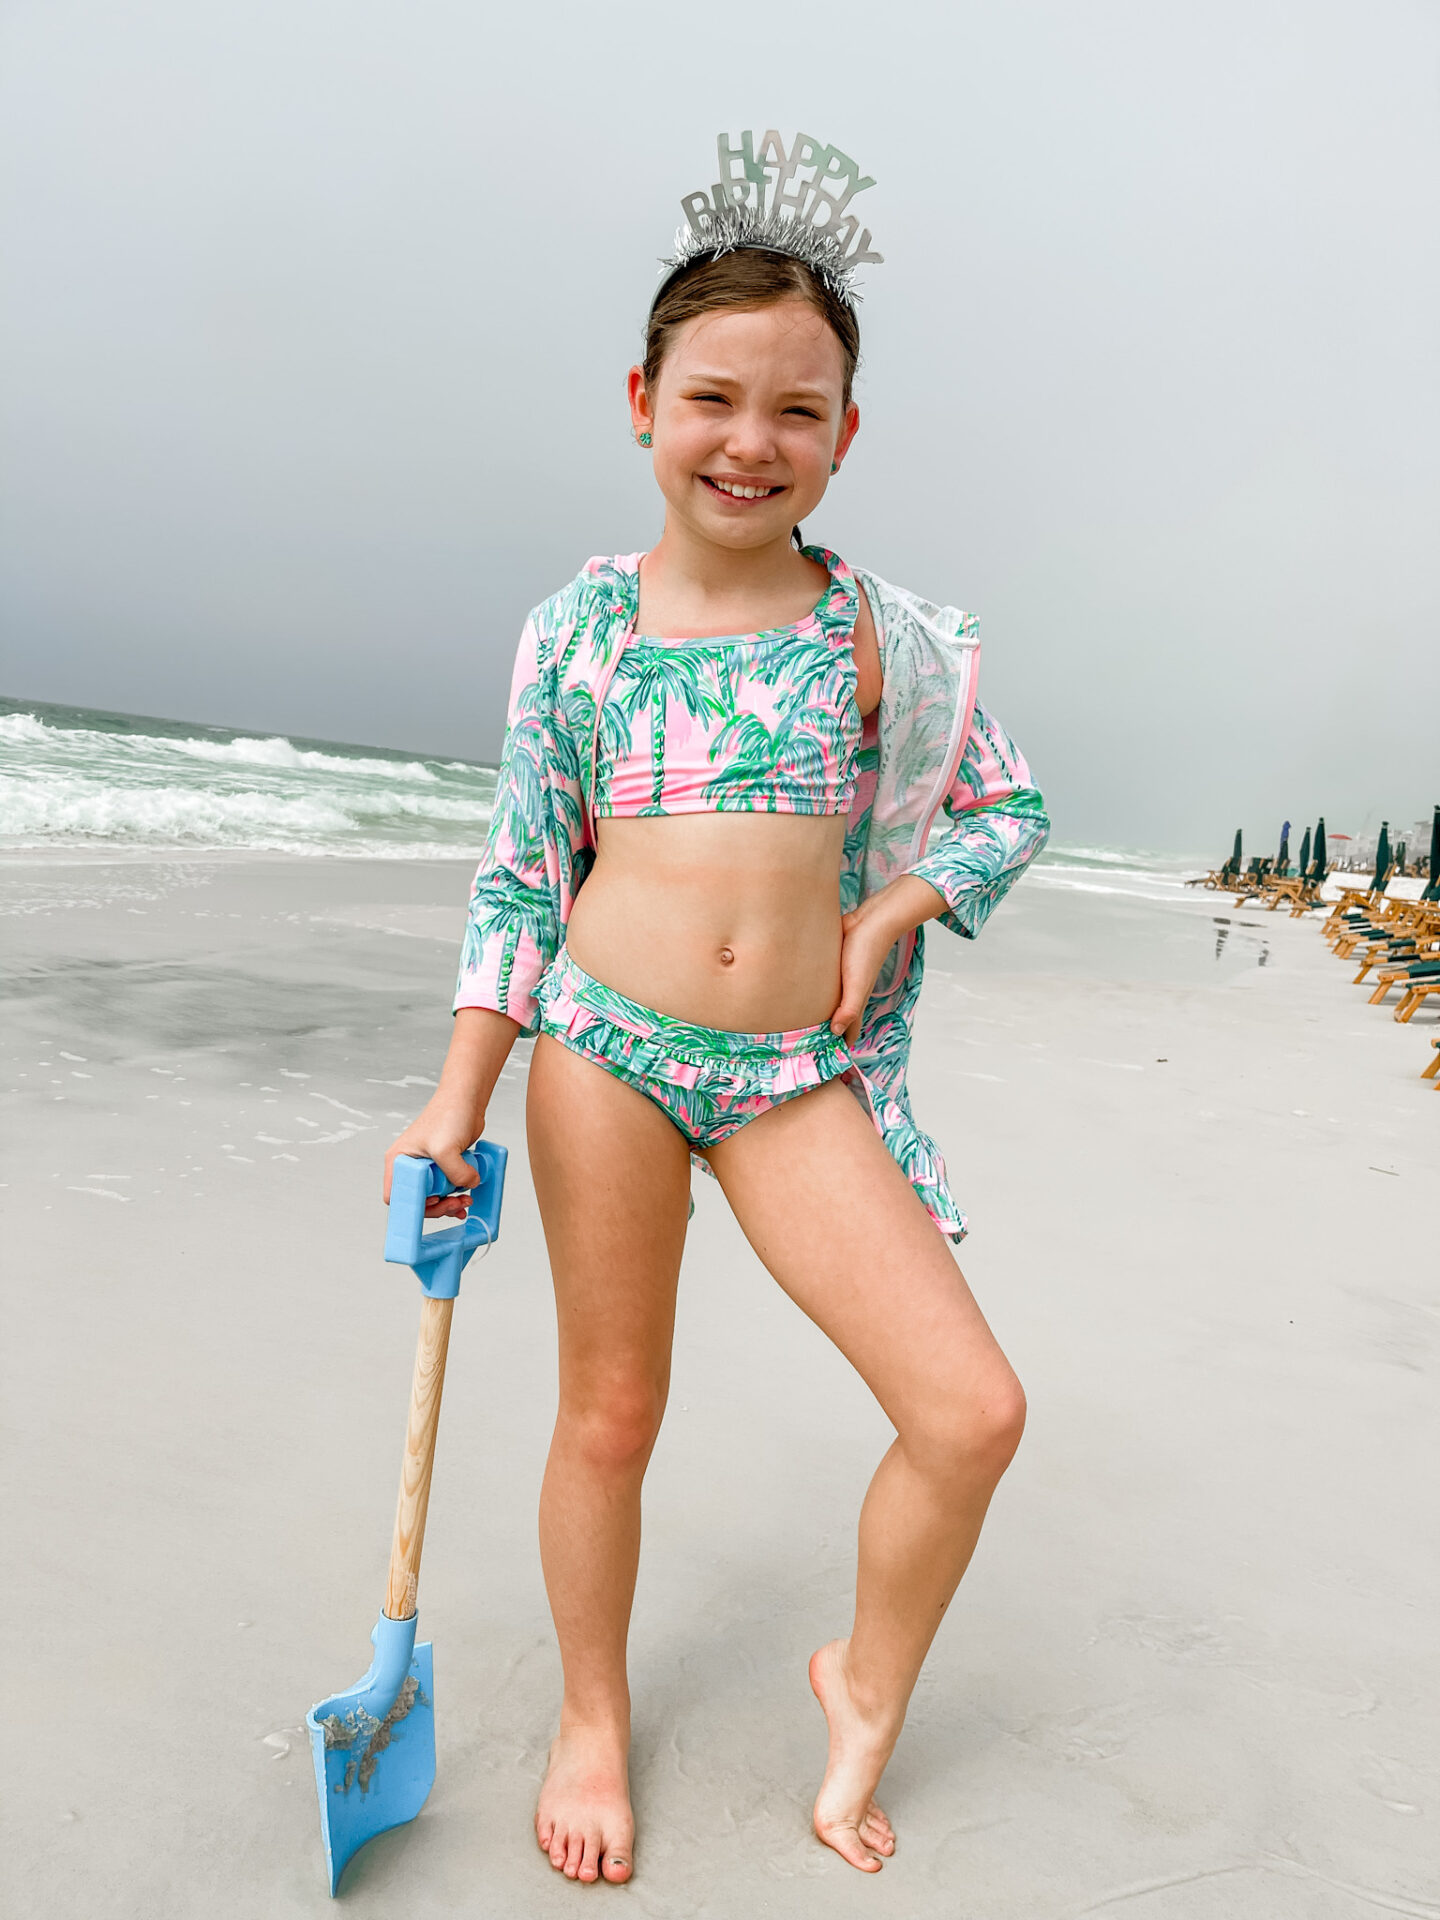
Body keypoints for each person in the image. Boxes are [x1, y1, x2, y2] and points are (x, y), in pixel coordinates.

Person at [385, 133, 1050, 1886]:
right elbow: (524, 875)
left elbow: (1007, 808)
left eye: (796, 411)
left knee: (971, 1410)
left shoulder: (880, 638)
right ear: (644, 405)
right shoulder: (581, 632)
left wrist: (896, 906)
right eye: (713, 399)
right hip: (605, 1048)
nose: (750, 441)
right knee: (611, 1414)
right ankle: (593, 1717)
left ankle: (862, 1686)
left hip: (789, 1073)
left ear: (846, 436)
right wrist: (456, 1099)